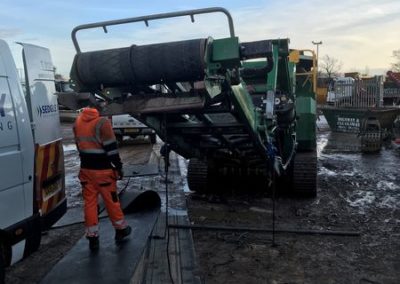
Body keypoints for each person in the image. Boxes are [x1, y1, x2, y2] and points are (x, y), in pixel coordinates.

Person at [73, 103, 131, 250]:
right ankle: (121, 230)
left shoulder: (78, 121)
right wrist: (118, 167)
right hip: (103, 172)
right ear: (98, 109)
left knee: (90, 203)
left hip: (86, 170)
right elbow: (111, 149)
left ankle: (92, 237)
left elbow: (78, 145)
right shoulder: (102, 123)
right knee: (111, 201)